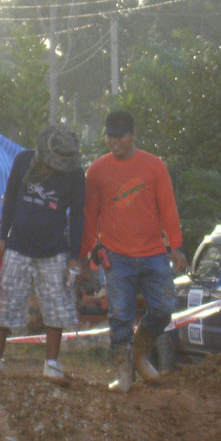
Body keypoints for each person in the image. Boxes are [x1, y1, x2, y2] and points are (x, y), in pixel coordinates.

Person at [80, 110, 188, 392]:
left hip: (153, 252)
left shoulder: (154, 166)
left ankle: (140, 352)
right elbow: (90, 215)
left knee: (164, 308)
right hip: (116, 255)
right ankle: (123, 373)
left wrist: (176, 246)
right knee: (120, 315)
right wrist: (84, 253)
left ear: (133, 135)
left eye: (120, 136)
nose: (114, 142)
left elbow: (168, 208)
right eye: (109, 137)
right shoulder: (97, 170)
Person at [0, 124, 85, 379]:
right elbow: (11, 198)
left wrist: (74, 256)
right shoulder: (23, 161)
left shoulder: (75, 174)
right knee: (5, 301)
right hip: (18, 245)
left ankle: (52, 364)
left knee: (56, 305)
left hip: (55, 249)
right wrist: (3, 238)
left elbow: (78, 215)